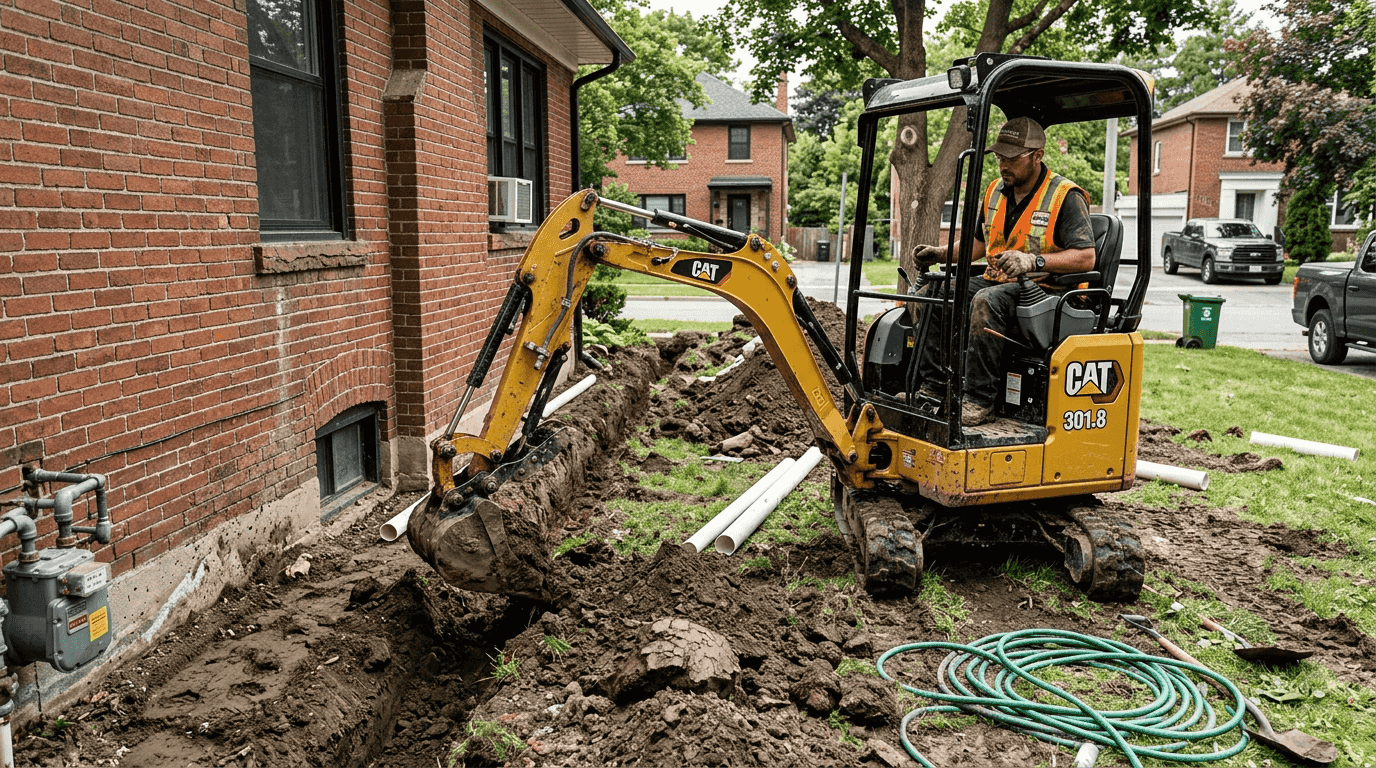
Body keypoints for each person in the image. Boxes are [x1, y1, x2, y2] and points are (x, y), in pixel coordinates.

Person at [909, 117, 1097, 426]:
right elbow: (979, 244)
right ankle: (934, 387)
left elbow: (1085, 257)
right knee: (934, 294)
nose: (1002, 165)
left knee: (986, 300)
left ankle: (979, 400)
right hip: (999, 281)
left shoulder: (1065, 196)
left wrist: (1034, 262)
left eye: (1011, 158)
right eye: (999, 157)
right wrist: (941, 253)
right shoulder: (995, 191)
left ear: (1037, 156)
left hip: (1047, 292)